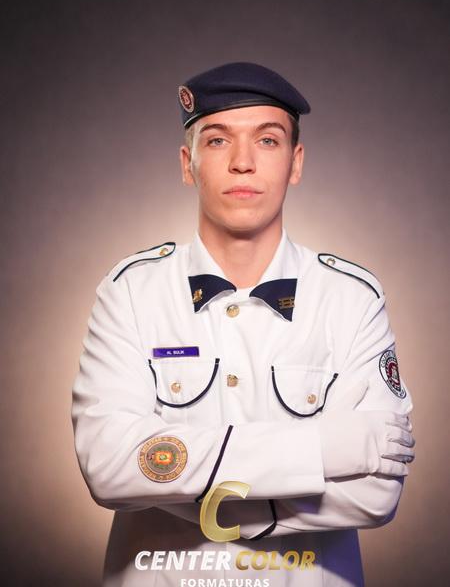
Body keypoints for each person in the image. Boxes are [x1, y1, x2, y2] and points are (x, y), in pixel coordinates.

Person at [72, 62, 415, 587]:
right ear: (188, 164)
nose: (243, 162)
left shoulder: (353, 299)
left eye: (268, 140)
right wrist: (322, 450)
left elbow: (376, 493)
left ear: (295, 163)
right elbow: (109, 467)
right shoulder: (130, 293)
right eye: (217, 140)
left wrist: (189, 494)